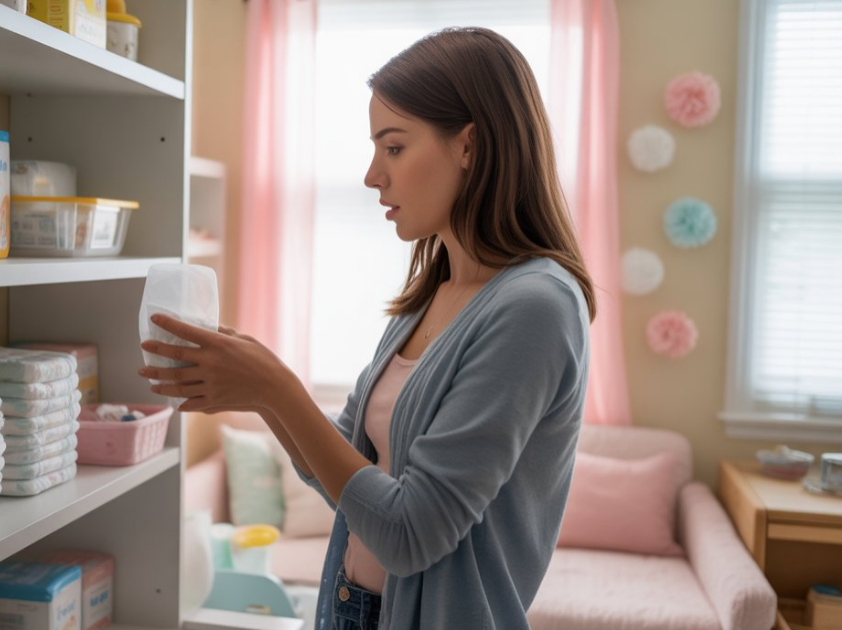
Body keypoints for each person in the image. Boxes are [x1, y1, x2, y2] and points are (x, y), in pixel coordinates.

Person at [137, 27, 593, 630]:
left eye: (394, 147)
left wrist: (277, 388)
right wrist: (256, 387)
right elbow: (347, 476)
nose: (373, 174)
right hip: (351, 605)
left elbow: (410, 534)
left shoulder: (537, 307)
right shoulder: (430, 293)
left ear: (470, 147)